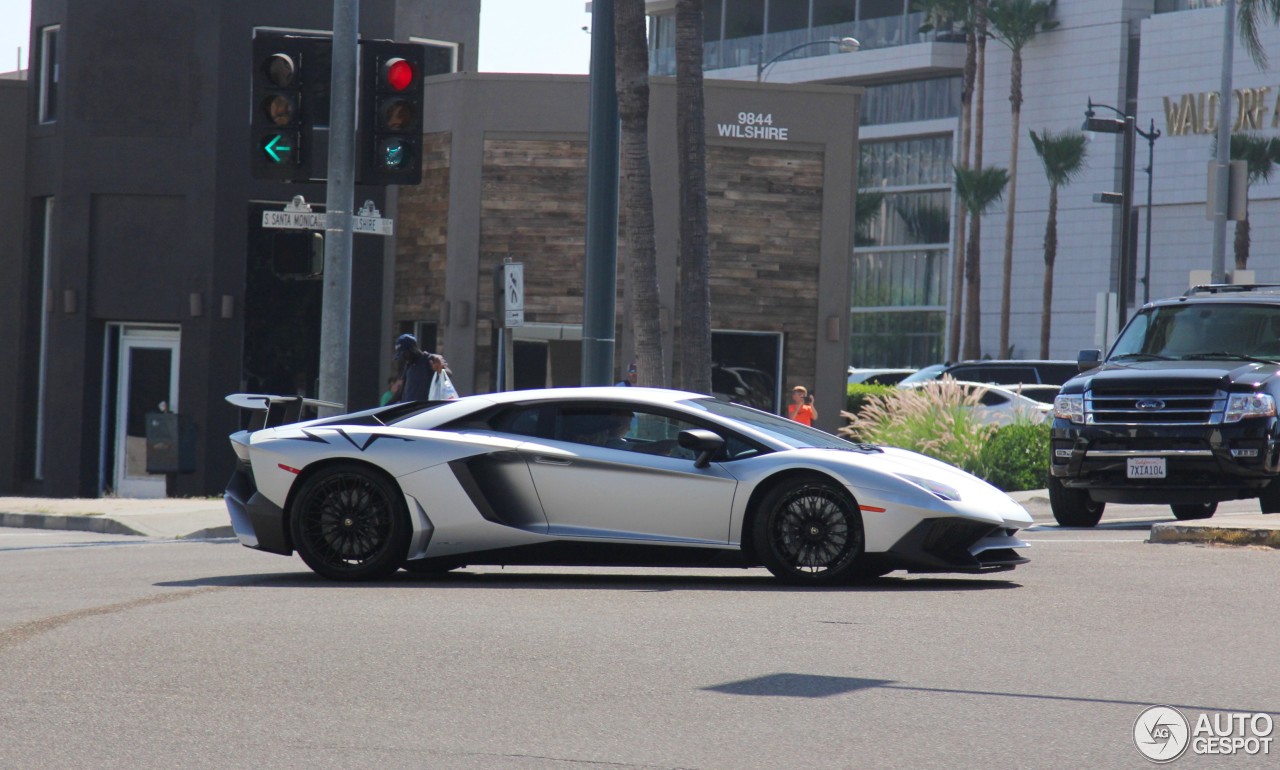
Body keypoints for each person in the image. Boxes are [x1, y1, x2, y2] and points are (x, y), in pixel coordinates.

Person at [394, 334, 438, 403]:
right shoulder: (409, 365)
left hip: (424, 409)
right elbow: (400, 393)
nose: (403, 357)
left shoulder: (428, 360)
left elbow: (448, 373)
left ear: (412, 349)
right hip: (408, 408)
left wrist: (440, 369)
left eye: (404, 353)